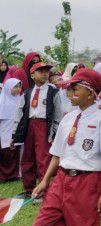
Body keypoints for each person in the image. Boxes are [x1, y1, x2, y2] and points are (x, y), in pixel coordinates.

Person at [30, 69, 101, 226]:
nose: (69, 93)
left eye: (74, 89)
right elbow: (57, 153)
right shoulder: (68, 118)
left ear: (90, 93)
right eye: (68, 89)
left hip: (87, 182)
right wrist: (45, 180)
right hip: (61, 180)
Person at [11, 62, 61, 197]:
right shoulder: (27, 93)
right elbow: (19, 113)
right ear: (32, 75)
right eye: (40, 71)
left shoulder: (53, 92)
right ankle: (29, 189)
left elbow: (57, 113)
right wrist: (14, 134)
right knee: (28, 157)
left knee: (43, 158)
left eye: (46, 71)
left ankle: (42, 190)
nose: (45, 73)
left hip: (44, 125)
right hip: (29, 125)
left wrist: (55, 132)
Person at [0, 77, 22, 182]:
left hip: (16, 130)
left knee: (15, 152)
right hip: (4, 131)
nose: (18, 89)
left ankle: (14, 174)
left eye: (19, 87)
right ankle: (4, 176)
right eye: (15, 87)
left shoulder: (21, 99)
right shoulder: (2, 101)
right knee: (6, 153)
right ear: (8, 88)